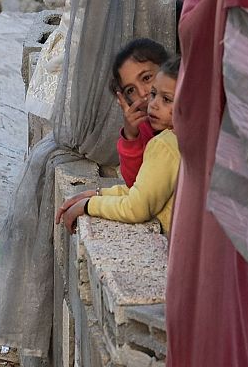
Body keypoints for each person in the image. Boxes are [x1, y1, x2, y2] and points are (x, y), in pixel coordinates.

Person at [60, 57, 180, 235]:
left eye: (167, 99)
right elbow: (145, 188)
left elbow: (137, 208)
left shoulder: (166, 144)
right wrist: (98, 193)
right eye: (154, 94)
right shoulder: (201, 140)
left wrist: (88, 206)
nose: (153, 104)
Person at [110, 38, 169, 186]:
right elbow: (136, 184)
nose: (143, 93)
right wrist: (131, 137)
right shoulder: (144, 127)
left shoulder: (194, 109)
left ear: (167, 69)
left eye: (147, 78)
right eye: (131, 90)